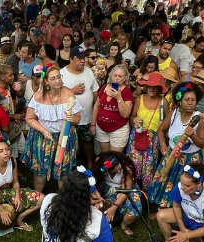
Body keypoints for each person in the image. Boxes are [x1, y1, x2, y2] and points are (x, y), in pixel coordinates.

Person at [20, 64, 82, 193]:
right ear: (46, 81)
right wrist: (43, 130)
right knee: (40, 171)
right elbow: (30, 118)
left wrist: (72, 119)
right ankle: (39, 198)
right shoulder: (38, 96)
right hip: (42, 137)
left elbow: (77, 119)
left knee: (63, 171)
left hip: (64, 136)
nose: (57, 80)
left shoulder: (69, 93)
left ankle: (62, 200)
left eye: (59, 77)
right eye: (53, 78)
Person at [147, 81, 204, 207]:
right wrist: (163, 146)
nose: (190, 103)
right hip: (172, 155)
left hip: (190, 159)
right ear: (180, 101)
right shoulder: (174, 114)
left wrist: (193, 136)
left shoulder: (200, 120)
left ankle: (178, 208)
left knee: (183, 184)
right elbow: (161, 129)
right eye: (187, 100)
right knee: (165, 179)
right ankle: (162, 204)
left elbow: (202, 143)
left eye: (193, 100)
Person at [60, 46, 99, 167]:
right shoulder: (62, 74)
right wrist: (72, 91)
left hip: (87, 117)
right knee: (71, 143)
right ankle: (71, 165)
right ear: (71, 58)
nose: (83, 61)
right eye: (79, 58)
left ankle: (89, 163)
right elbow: (57, 96)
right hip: (70, 118)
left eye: (84, 58)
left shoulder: (89, 71)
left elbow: (95, 91)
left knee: (88, 142)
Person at [127, 71, 166, 191]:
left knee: (148, 168)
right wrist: (135, 121)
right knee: (133, 164)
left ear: (159, 89)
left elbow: (167, 123)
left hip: (152, 140)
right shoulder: (140, 99)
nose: (151, 89)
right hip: (137, 136)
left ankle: (145, 194)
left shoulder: (163, 102)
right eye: (149, 86)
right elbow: (132, 116)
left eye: (155, 87)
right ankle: (133, 191)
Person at [92, 64, 134, 153]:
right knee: (105, 154)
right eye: (115, 75)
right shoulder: (104, 87)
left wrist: (119, 98)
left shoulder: (127, 91)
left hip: (118, 129)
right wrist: (92, 124)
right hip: (101, 127)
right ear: (111, 76)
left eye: (120, 76)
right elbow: (96, 106)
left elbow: (125, 114)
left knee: (115, 157)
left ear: (125, 78)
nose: (117, 78)